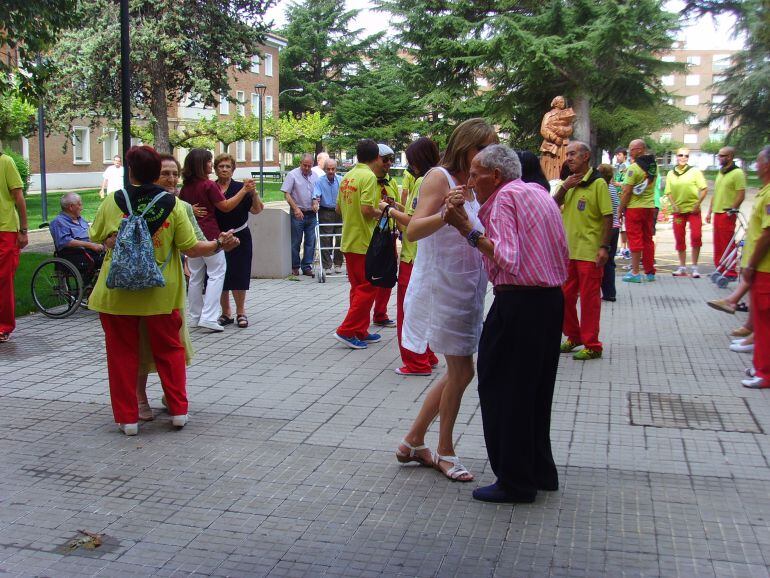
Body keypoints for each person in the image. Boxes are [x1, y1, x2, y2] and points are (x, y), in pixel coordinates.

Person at [443, 144, 569, 503]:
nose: (470, 182)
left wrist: (467, 229)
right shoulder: (538, 193)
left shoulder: (502, 199)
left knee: (503, 389)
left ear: (495, 176)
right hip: (549, 301)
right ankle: (539, 470)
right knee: (535, 391)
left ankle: (515, 480)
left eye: (474, 174)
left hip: (519, 302)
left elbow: (508, 257)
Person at [88, 145, 239, 435]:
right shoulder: (175, 206)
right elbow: (193, 249)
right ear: (157, 172)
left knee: (121, 356)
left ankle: (128, 419)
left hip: (117, 294)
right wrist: (220, 243)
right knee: (171, 351)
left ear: (129, 170)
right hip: (162, 295)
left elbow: (96, 235)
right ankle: (179, 411)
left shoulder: (112, 202)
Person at [396, 118, 497, 483]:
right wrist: (444, 214)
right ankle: (444, 451)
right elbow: (414, 229)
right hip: (443, 287)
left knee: (459, 371)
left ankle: (413, 441)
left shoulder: (474, 183)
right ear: (466, 146)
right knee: (462, 371)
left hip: (468, 288)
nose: (489, 154)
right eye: (483, 147)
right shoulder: (439, 177)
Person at [136, 153, 204, 421]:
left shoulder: (181, 206)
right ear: (152, 175)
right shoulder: (135, 203)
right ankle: (140, 399)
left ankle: (171, 394)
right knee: (141, 347)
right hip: (137, 289)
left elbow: (195, 243)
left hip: (171, 289)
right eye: (165, 173)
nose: (172, 179)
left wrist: (217, 245)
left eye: (175, 174)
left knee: (175, 347)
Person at [380, 137, 441, 376]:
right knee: (423, 309)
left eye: (411, 161)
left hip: (413, 257)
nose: (409, 166)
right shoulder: (437, 178)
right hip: (424, 256)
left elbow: (413, 224)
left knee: (409, 310)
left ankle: (416, 362)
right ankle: (427, 354)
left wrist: (390, 210)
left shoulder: (423, 182)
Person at [180, 148, 251, 332]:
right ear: (201, 164)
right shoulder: (208, 185)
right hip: (210, 234)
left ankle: (195, 316)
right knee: (217, 273)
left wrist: (191, 209)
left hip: (192, 235)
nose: (211, 165)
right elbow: (226, 206)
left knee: (196, 276)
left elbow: (180, 205)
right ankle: (210, 317)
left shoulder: (187, 187)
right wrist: (244, 190)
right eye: (209, 162)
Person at [554, 142, 613, 360]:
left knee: (589, 301)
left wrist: (604, 247)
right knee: (564, 298)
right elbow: (552, 206)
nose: (568, 158)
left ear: (586, 156)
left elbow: (608, 217)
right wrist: (564, 187)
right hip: (569, 253)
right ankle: (574, 336)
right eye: (567, 154)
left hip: (589, 252)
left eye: (573, 154)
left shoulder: (598, 183)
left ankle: (593, 344)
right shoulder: (568, 183)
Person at [333, 139, 386, 349]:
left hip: (349, 239)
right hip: (364, 241)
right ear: (377, 157)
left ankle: (360, 330)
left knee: (357, 288)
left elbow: (338, 208)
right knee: (368, 287)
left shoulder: (348, 176)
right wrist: (383, 210)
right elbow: (366, 209)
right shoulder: (369, 177)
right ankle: (346, 330)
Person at [214, 153, 264, 328]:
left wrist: (254, 193)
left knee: (239, 273)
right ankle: (225, 312)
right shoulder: (211, 188)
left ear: (233, 169)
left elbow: (257, 210)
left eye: (228, 166)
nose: (225, 169)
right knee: (220, 274)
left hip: (240, 235)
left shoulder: (240, 187)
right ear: (216, 169)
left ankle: (241, 311)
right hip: (218, 237)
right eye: (221, 166)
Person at [740, 145, 770, 389]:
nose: (756, 166)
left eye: (758, 162)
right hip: (761, 267)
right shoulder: (765, 191)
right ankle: (760, 366)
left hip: (765, 268)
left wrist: (751, 264)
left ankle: (765, 372)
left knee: (765, 321)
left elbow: (767, 234)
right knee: (761, 321)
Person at [665, 148, 708, 278]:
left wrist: (697, 203)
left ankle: (694, 267)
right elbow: (668, 191)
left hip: (693, 210)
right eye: (680, 155)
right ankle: (682, 266)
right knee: (679, 237)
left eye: (686, 156)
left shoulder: (695, 172)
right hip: (678, 211)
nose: (683, 158)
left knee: (696, 236)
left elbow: (704, 189)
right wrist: (673, 205)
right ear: (676, 156)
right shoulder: (671, 174)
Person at [619, 139, 657, 283]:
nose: (629, 152)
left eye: (631, 149)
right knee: (648, 239)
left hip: (634, 208)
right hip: (649, 206)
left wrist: (620, 209)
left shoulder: (633, 168)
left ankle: (635, 272)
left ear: (640, 149)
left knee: (635, 239)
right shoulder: (653, 166)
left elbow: (627, 192)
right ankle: (650, 271)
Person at [370, 143, 399, 328]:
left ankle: (381, 314)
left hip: (389, 234)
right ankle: (363, 316)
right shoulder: (368, 180)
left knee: (388, 275)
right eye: (385, 159)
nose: (388, 163)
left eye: (391, 159)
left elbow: (397, 205)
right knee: (371, 278)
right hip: (372, 236)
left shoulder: (392, 182)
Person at [707, 146, 746, 279]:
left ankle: (730, 272)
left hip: (727, 213)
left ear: (730, 157)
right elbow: (716, 193)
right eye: (719, 155)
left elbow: (741, 194)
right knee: (717, 243)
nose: (719, 158)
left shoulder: (737, 173)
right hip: (717, 212)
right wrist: (709, 211)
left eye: (722, 156)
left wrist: (732, 210)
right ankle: (719, 268)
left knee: (727, 242)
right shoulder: (721, 172)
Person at [0, 151, 27, 343]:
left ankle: (3, 326)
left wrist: (24, 230)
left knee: (3, 279)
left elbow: (19, 197)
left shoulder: (5, 162)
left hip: (5, 229)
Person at [49, 192, 106, 280]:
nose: (82, 207)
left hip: (91, 251)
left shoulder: (80, 219)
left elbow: (91, 233)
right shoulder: (58, 222)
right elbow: (66, 241)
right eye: (79, 204)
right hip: (77, 255)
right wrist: (92, 245)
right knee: (107, 261)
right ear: (71, 207)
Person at [282, 153, 318, 276]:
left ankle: (307, 266)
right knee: (296, 241)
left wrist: (316, 201)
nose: (307, 168)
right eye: (304, 165)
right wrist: (296, 208)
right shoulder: (292, 175)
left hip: (311, 213)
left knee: (311, 241)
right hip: (298, 212)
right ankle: (295, 265)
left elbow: (317, 193)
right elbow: (286, 194)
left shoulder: (315, 176)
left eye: (309, 166)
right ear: (300, 164)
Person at [312, 157, 344, 275]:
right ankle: (327, 265)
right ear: (325, 169)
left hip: (339, 211)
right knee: (326, 238)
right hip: (325, 211)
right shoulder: (320, 181)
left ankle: (338, 263)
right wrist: (315, 203)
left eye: (333, 169)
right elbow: (315, 195)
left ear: (336, 169)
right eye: (328, 169)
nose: (331, 171)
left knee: (341, 237)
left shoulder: (341, 180)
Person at [596, 164, 620, 301]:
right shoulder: (612, 188)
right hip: (616, 227)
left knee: (601, 260)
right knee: (610, 261)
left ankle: (603, 290)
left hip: (607, 228)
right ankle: (610, 292)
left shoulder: (602, 188)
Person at [539, 96, 576, 181]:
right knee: (549, 166)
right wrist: (555, 138)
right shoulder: (548, 115)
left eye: (563, 102)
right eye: (561, 102)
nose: (563, 103)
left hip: (564, 145)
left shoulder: (567, 114)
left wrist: (562, 131)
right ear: (556, 103)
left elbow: (570, 128)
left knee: (563, 163)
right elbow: (544, 129)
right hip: (551, 146)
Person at [612, 148, 630, 259]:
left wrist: (617, 184)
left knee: (625, 226)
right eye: (616, 155)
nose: (617, 157)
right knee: (621, 225)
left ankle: (627, 248)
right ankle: (623, 248)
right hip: (618, 199)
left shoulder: (627, 168)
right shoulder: (617, 167)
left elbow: (627, 184)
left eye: (619, 155)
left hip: (624, 199)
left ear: (624, 156)